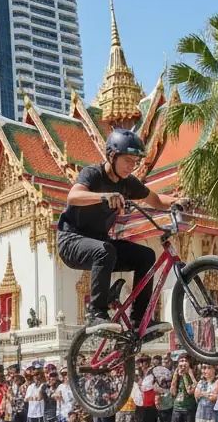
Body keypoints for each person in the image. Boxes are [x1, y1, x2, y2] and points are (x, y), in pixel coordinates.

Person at [56, 128, 181, 336]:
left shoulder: (128, 183)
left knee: (146, 256)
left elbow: (156, 200)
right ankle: (96, 313)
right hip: (71, 241)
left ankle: (140, 319)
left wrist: (178, 202)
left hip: (102, 244)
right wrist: (104, 196)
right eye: (127, 161)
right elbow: (73, 196)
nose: (131, 167)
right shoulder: (92, 174)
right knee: (104, 251)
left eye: (135, 162)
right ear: (112, 156)